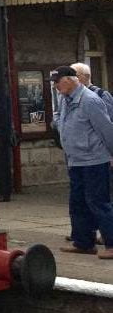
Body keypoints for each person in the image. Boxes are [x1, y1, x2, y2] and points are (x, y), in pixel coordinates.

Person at [51, 65, 113, 259]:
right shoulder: (65, 99)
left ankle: (111, 243)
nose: (55, 87)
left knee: (98, 202)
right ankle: (83, 242)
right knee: (77, 203)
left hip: (94, 160)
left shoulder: (90, 100)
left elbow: (106, 129)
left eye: (57, 82)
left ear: (70, 79)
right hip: (75, 160)